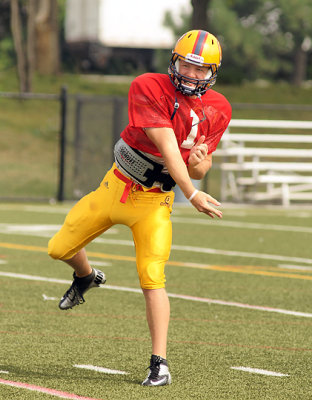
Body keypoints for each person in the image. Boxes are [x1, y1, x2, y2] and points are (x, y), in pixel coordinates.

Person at [48, 29, 232, 386]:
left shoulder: (218, 108)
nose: (192, 74)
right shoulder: (149, 86)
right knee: (58, 248)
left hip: (153, 202)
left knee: (152, 277)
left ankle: (159, 364)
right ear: (173, 62)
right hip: (115, 187)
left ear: (213, 72)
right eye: (186, 65)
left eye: (200, 69)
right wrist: (192, 193)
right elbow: (165, 145)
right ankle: (86, 277)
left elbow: (201, 163)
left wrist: (198, 163)